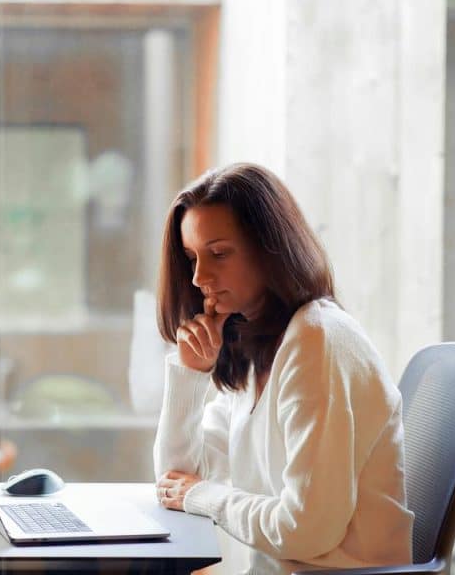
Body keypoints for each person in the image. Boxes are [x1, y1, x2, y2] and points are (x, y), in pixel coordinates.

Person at [153, 163, 414, 573]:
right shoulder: (253, 346)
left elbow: (304, 531)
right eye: (191, 258)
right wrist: (190, 375)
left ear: (270, 249)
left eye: (219, 253)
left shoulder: (317, 341)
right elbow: (175, 480)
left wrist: (200, 495)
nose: (200, 276)